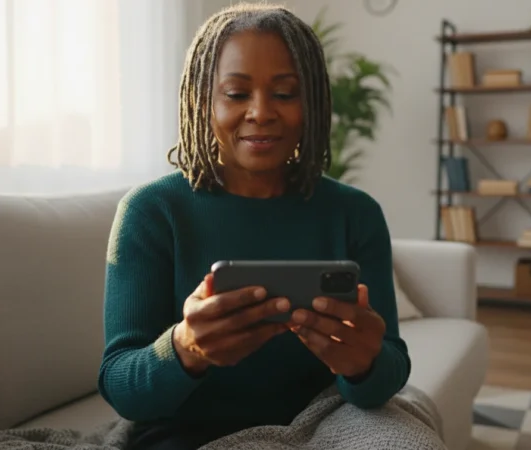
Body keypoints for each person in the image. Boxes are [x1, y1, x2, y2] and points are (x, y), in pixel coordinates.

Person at [98, 3, 411, 449]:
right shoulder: (152, 212)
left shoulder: (355, 213)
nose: (261, 112)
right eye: (237, 93)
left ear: (312, 103)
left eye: (284, 93)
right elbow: (121, 388)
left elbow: (389, 372)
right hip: (184, 434)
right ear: (202, 99)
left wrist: (363, 363)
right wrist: (186, 347)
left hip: (323, 422)